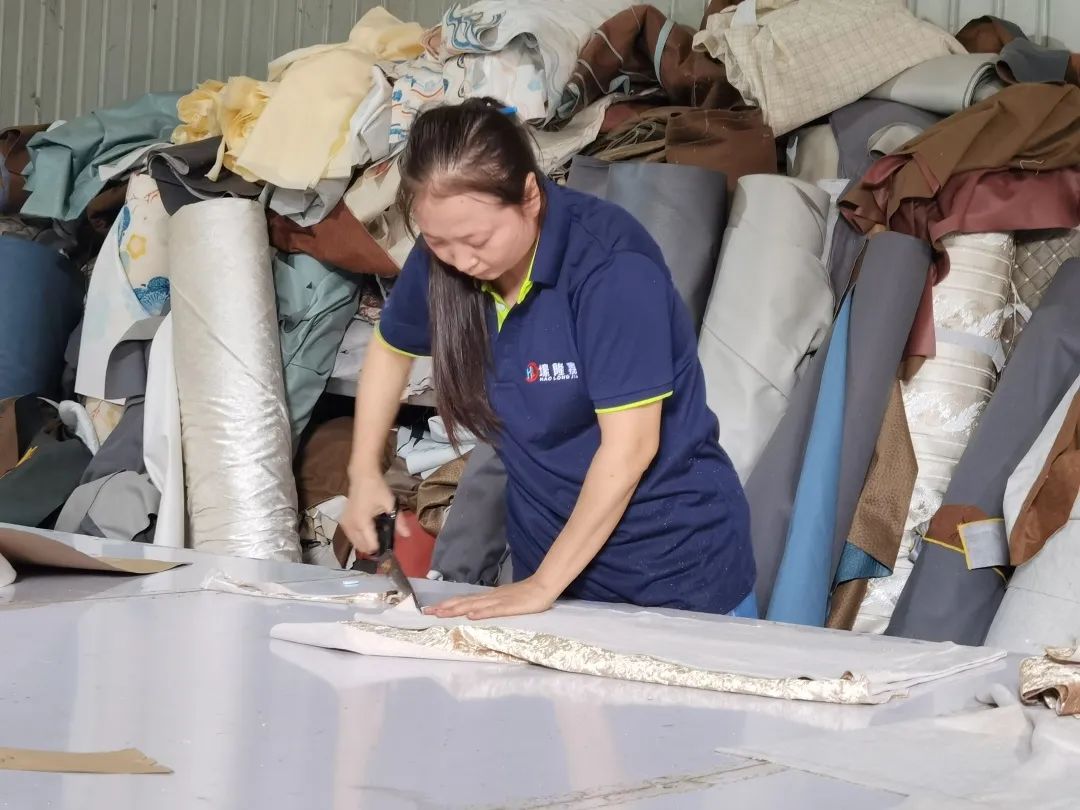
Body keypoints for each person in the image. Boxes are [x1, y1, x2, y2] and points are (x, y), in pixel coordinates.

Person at [340, 97, 756, 621]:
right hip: (552, 566)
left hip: (672, 570)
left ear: (530, 196)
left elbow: (630, 448)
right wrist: (364, 473)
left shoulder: (611, 269)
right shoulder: (448, 254)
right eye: (439, 242)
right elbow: (390, 348)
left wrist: (540, 586)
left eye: (477, 240)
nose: (460, 261)